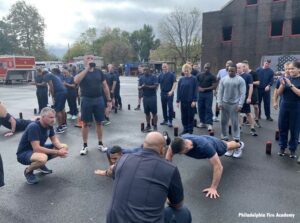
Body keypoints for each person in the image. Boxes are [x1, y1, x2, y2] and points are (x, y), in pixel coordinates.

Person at [106, 132, 191, 223]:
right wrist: (165, 199)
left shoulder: (123, 159)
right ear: (162, 150)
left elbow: (111, 171)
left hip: (113, 220)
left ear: (143, 145)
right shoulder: (170, 169)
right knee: (183, 213)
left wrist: (107, 172)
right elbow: (177, 205)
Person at [166, 134, 244, 199]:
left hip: (214, 145)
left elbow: (218, 167)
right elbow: (169, 153)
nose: (180, 154)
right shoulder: (178, 142)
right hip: (204, 139)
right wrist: (167, 175)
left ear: (187, 148)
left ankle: (239, 144)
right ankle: (225, 143)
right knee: (222, 143)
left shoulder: (205, 147)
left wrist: (213, 188)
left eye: (181, 153)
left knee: (226, 146)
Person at [16, 107, 68, 184]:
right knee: (42, 158)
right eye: (51, 117)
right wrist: (57, 152)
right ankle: (28, 171)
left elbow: (54, 140)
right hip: (24, 153)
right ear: (43, 117)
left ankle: (39, 165)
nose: (53, 119)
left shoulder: (49, 125)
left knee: (64, 146)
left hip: (37, 150)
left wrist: (61, 148)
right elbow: (37, 148)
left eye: (54, 117)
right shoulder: (34, 127)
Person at [74, 55, 112, 155]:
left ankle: (100, 143)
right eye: (88, 58)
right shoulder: (81, 72)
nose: (90, 60)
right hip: (86, 99)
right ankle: (85, 145)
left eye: (92, 58)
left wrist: (109, 100)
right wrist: (87, 69)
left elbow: (105, 86)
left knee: (99, 122)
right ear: (84, 61)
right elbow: (76, 81)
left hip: (99, 99)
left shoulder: (99, 72)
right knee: (86, 123)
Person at [217, 64, 246, 158]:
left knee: (235, 124)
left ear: (236, 71)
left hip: (235, 105)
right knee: (223, 123)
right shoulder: (223, 79)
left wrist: (240, 104)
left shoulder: (240, 80)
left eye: (232, 71)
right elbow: (220, 91)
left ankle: (237, 146)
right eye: (229, 71)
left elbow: (243, 93)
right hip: (225, 103)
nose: (230, 72)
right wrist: (219, 102)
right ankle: (227, 146)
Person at [277, 61, 300, 158]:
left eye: (292, 68)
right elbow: (279, 93)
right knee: (282, 127)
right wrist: (282, 85)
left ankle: (292, 149)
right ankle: (282, 147)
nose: (290, 70)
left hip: (296, 107)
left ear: (299, 69)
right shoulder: (286, 78)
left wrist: (290, 85)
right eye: (289, 68)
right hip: (284, 105)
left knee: (294, 129)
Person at [237, 63, 257, 136]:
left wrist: (249, 97)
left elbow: (251, 87)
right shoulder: (235, 76)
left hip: (245, 97)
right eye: (237, 68)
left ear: (243, 68)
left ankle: (252, 128)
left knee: (248, 113)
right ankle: (239, 127)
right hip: (237, 98)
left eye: (239, 67)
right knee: (238, 113)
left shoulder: (248, 76)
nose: (238, 69)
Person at [176, 64, 198, 134]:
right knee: (184, 116)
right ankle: (185, 129)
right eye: (185, 71)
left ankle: (190, 130)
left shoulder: (194, 79)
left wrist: (194, 100)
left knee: (190, 116)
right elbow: (178, 90)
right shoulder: (181, 79)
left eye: (187, 71)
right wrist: (177, 100)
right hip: (183, 101)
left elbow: (195, 90)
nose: (186, 72)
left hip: (191, 101)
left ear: (190, 70)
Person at [196, 63, 217, 131]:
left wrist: (205, 89)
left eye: (208, 68)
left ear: (210, 68)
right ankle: (202, 122)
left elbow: (214, 86)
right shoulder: (199, 75)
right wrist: (198, 87)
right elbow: (195, 83)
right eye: (205, 67)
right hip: (200, 94)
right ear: (203, 67)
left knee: (208, 108)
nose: (206, 69)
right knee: (200, 108)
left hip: (208, 94)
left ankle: (210, 123)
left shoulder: (212, 76)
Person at [139, 66, 159, 132]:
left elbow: (155, 86)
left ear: (149, 70)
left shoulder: (153, 77)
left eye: (146, 70)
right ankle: (148, 125)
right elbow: (139, 87)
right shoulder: (141, 78)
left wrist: (146, 86)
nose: (145, 71)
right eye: (144, 70)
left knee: (154, 112)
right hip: (145, 97)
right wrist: (141, 87)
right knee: (147, 112)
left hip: (152, 97)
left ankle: (155, 126)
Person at [242, 60, 261, 128]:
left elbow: (258, 82)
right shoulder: (242, 74)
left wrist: (250, 83)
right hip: (246, 92)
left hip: (254, 91)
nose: (243, 68)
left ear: (248, 66)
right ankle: (248, 120)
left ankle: (256, 119)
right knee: (247, 107)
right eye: (242, 66)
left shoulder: (253, 73)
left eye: (244, 66)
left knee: (255, 106)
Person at [158, 63, 177, 127]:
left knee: (170, 107)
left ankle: (170, 120)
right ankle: (165, 119)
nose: (164, 68)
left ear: (167, 67)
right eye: (163, 67)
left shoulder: (171, 75)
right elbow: (158, 83)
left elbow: (174, 83)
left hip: (169, 93)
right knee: (164, 107)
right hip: (163, 93)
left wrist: (171, 91)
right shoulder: (160, 75)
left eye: (165, 67)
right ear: (162, 68)